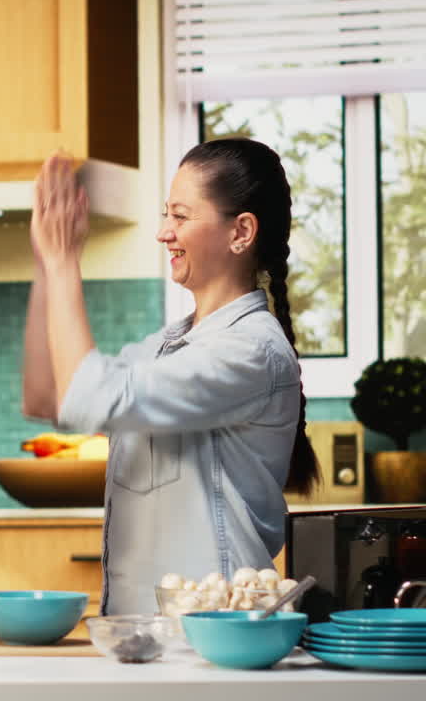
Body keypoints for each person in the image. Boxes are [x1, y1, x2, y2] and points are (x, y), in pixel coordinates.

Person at [21, 138, 320, 615]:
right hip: (147, 635)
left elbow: (92, 396)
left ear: (241, 232)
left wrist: (64, 263)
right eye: (166, 215)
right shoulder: (168, 346)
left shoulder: (250, 350)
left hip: (211, 637)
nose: (164, 232)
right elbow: (47, 395)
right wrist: (46, 260)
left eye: (180, 216)